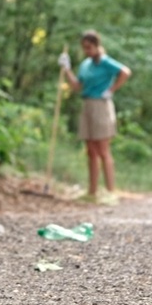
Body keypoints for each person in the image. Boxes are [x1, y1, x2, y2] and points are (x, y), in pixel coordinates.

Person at [58, 30, 131, 205]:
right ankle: (92, 191)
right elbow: (77, 86)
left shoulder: (105, 62)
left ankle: (110, 190)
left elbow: (125, 72)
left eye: (89, 47)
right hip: (87, 104)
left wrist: (111, 90)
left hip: (101, 105)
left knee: (103, 149)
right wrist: (66, 70)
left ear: (97, 46)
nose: (86, 51)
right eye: (84, 48)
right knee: (90, 150)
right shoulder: (85, 65)